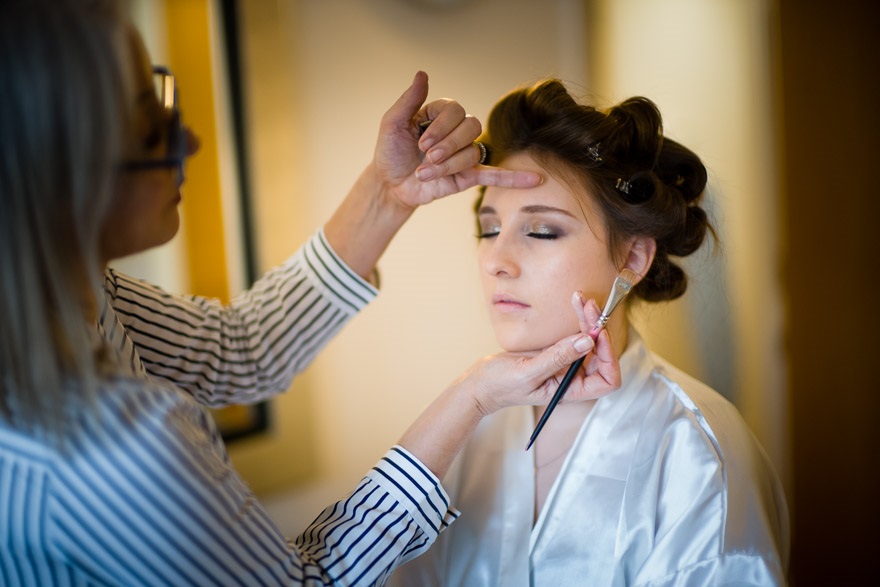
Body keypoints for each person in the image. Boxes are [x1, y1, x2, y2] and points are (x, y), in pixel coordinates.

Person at [0, 2, 623, 585]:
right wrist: (474, 396)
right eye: (145, 127)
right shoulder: (100, 447)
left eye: (541, 230)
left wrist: (388, 191)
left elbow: (238, 348)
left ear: (635, 256)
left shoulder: (87, 295)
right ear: (58, 173)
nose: (187, 141)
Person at [390, 79, 790, 586]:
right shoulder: (461, 431)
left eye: (541, 231)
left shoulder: (695, 453)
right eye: (489, 229)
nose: (496, 261)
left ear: (632, 257)